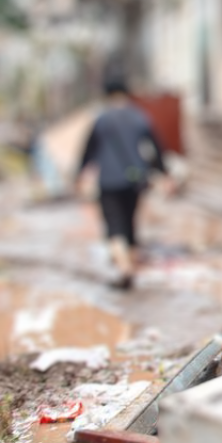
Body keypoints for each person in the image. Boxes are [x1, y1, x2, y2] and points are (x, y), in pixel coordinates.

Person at [77, 80, 170, 288]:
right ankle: (131, 264)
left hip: (108, 180)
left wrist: (80, 173)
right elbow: (156, 147)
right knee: (130, 221)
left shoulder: (101, 119)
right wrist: (163, 173)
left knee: (114, 225)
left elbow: (88, 150)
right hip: (135, 178)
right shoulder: (139, 117)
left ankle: (125, 269)